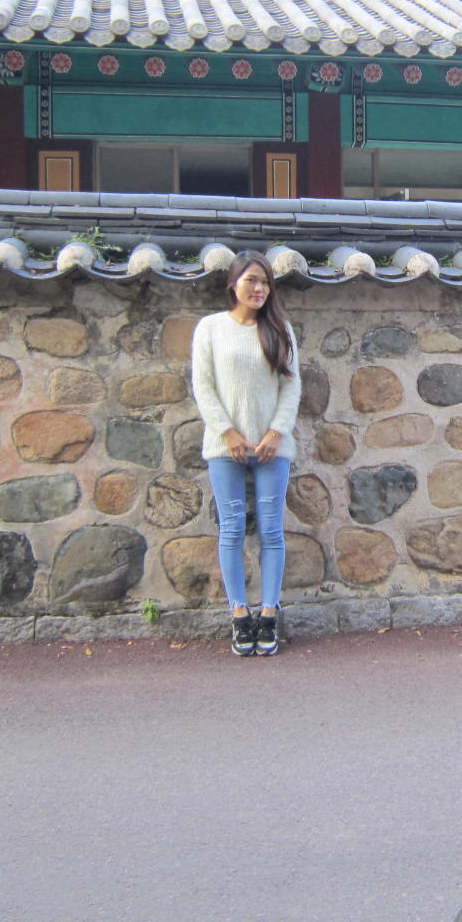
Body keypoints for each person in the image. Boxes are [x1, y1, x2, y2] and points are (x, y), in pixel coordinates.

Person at [190, 250, 300, 657]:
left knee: (271, 530)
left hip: (273, 448)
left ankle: (269, 612)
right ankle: (239, 613)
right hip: (225, 448)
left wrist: (275, 433)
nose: (259, 288)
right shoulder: (210, 328)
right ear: (233, 283)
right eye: (252, 280)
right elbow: (203, 385)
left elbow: (292, 386)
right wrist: (228, 433)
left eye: (265, 282)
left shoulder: (280, 329)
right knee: (232, 529)